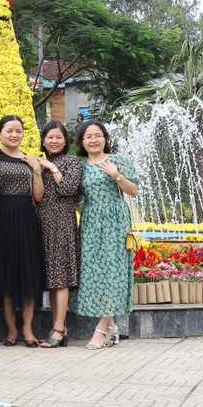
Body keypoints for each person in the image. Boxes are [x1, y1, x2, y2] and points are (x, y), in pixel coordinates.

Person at [73, 121, 138, 350]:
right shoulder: (80, 167)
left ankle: (101, 329)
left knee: (112, 273)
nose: (93, 140)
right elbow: (76, 197)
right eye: (88, 136)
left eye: (98, 135)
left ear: (105, 138)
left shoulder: (117, 161)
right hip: (91, 223)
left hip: (116, 223)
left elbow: (134, 191)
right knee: (94, 274)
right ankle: (111, 327)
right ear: (82, 142)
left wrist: (116, 176)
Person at [0, 115, 45, 347]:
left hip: (27, 218)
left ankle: (28, 330)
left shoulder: (29, 159)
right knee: (5, 276)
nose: (14, 135)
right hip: (2, 217)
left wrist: (37, 169)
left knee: (29, 276)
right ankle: (11, 331)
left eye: (19, 131)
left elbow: (37, 196)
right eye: (9, 130)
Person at [35, 121, 82, 348]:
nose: (54, 141)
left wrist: (52, 169)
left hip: (62, 222)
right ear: (43, 140)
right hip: (43, 223)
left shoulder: (71, 162)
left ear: (66, 140)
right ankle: (58, 326)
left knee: (61, 277)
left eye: (58, 137)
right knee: (52, 279)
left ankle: (59, 328)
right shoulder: (39, 164)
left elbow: (68, 189)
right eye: (50, 137)